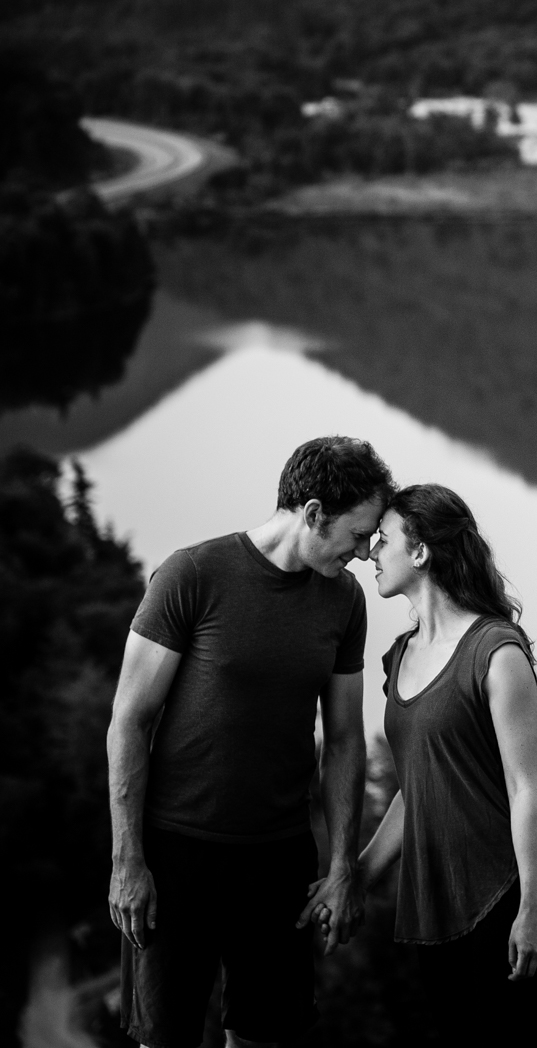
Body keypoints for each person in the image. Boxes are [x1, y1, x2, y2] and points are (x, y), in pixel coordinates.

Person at [106, 436, 395, 1048]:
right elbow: (129, 722)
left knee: (268, 1037)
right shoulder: (192, 575)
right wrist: (127, 860)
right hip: (175, 855)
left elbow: (344, 739)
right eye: (360, 533)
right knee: (164, 1039)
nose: (368, 552)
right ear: (314, 514)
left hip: (278, 861)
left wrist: (344, 864)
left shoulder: (344, 601)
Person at [316, 482, 537, 1044]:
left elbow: (526, 789)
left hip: (506, 890)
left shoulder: (496, 652)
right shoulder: (399, 657)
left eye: (384, 541)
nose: (371, 554)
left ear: (422, 552)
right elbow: (418, 784)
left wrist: (533, 909)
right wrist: (356, 873)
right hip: (436, 900)